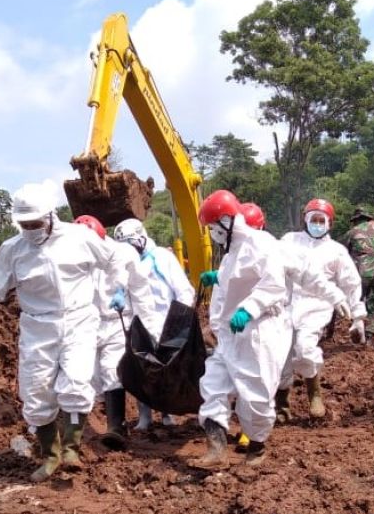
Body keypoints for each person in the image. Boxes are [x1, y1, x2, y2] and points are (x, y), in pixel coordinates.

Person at [0, 183, 152, 482]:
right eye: (25, 224)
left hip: (78, 320)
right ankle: (50, 454)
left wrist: (118, 286)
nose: (31, 229)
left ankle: (72, 449)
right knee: (36, 392)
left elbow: (117, 257)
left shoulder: (80, 238)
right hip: (38, 326)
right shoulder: (14, 250)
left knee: (75, 383)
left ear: (50, 216)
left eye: (35, 223)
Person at [194, 189, 290, 468]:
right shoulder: (231, 253)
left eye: (213, 226)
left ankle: (257, 447)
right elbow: (232, 281)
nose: (212, 232)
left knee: (254, 396)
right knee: (212, 386)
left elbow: (273, 283)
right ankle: (216, 450)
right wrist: (218, 277)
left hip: (256, 331)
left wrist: (249, 309)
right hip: (228, 336)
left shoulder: (262, 243)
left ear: (227, 220)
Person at [277, 198, 363, 419]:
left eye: (320, 220)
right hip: (287, 301)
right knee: (280, 353)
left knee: (305, 348)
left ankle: (314, 394)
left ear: (329, 223)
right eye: (312, 219)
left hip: (317, 305)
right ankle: (281, 404)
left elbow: (351, 284)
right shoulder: (289, 241)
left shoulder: (337, 251)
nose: (316, 224)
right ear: (304, 220)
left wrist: (357, 315)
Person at [113, 217, 195, 431]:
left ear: (140, 238)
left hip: (167, 324)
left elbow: (184, 290)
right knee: (142, 372)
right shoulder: (126, 264)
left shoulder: (162, 258)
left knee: (168, 371)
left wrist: (179, 320)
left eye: (130, 245)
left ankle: (167, 414)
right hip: (140, 326)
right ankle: (145, 416)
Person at [74, 214, 143, 452]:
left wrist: (146, 325)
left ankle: (116, 427)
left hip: (115, 321)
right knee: (85, 376)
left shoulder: (122, 253)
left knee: (112, 370)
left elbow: (141, 288)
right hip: (87, 322)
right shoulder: (77, 257)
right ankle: (77, 431)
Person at [343, 206, 374, 345]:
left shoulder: (352, 233)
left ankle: (359, 330)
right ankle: (370, 337)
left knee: (358, 303)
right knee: (372, 306)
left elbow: (342, 253)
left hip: (360, 274)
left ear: (355, 220)